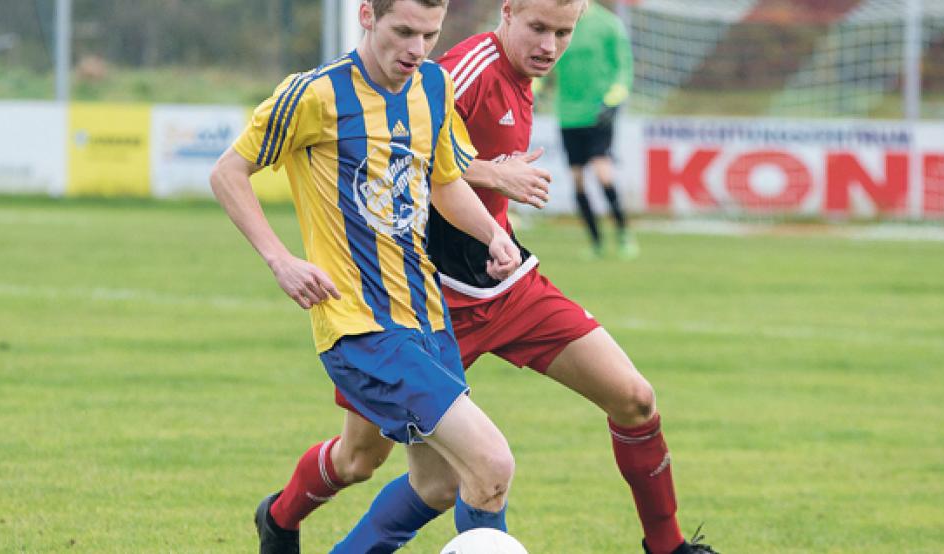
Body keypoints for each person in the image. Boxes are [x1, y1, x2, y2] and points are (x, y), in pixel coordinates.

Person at [260, 1, 717, 553]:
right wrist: (493, 172)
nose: (550, 45)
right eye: (538, 29)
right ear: (507, 13)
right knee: (364, 461)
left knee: (635, 399)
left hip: (507, 285)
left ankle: (668, 548)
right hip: (422, 301)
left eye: (563, 33)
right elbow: (402, 146)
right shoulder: (462, 68)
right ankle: (281, 519)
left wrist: (497, 228)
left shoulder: (527, 77)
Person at [208, 1, 526, 553]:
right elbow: (228, 172)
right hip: (359, 326)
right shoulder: (314, 94)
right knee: (491, 462)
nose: (417, 49)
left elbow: (446, 183)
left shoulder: (433, 87)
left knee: (439, 483)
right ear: (367, 15)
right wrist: (280, 259)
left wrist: (494, 236)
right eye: (403, 31)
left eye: (429, 35)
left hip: (426, 318)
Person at [552, 0, 637, 260]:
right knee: (577, 180)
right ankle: (596, 242)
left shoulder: (609, 24)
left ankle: (623, 233)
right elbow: (543, 65)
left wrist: (614, 98)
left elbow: (624, 68)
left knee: (602, 172)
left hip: (598, 112)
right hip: (567, 115)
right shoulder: (556, 21)